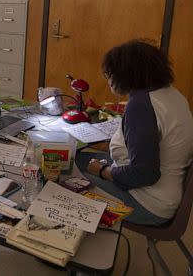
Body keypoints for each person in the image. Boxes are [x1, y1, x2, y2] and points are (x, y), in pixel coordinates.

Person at [76, 40, 193, 225]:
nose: (108, 80)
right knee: (75, 159)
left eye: (109, 74)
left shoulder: (141, 105)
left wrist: (103, 170)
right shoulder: (172, 95)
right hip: (167, 193)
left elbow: (143, 174)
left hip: (148, 203)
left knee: (62, 178)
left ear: (125, 74)